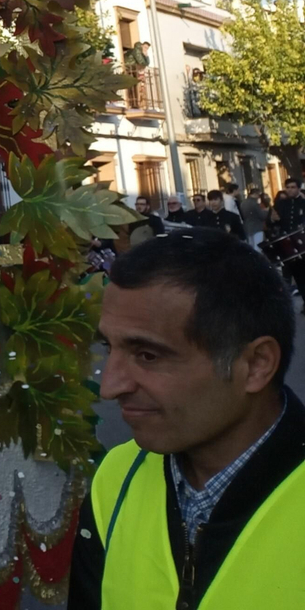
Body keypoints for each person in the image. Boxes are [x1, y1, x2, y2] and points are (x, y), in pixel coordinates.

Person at [69, 230, 303, 608]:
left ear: (256, 365)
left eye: (147, 355)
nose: (109, 386)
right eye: (108, 347)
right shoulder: (115, 477)